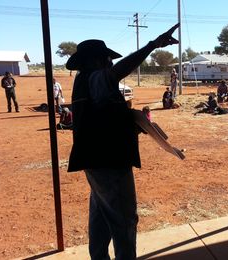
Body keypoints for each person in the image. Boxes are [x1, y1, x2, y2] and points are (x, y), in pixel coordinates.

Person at [65, 24, 179, 260]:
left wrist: (132, 124)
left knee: (102, 215)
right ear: (94, 61)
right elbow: (116, 72)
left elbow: (103, 118)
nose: (109, 62)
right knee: (124, 219)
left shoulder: (88, 82)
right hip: (108, 162)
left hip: (96, 161)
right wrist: (152, 45)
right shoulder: (94, 78)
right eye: (106, 59)